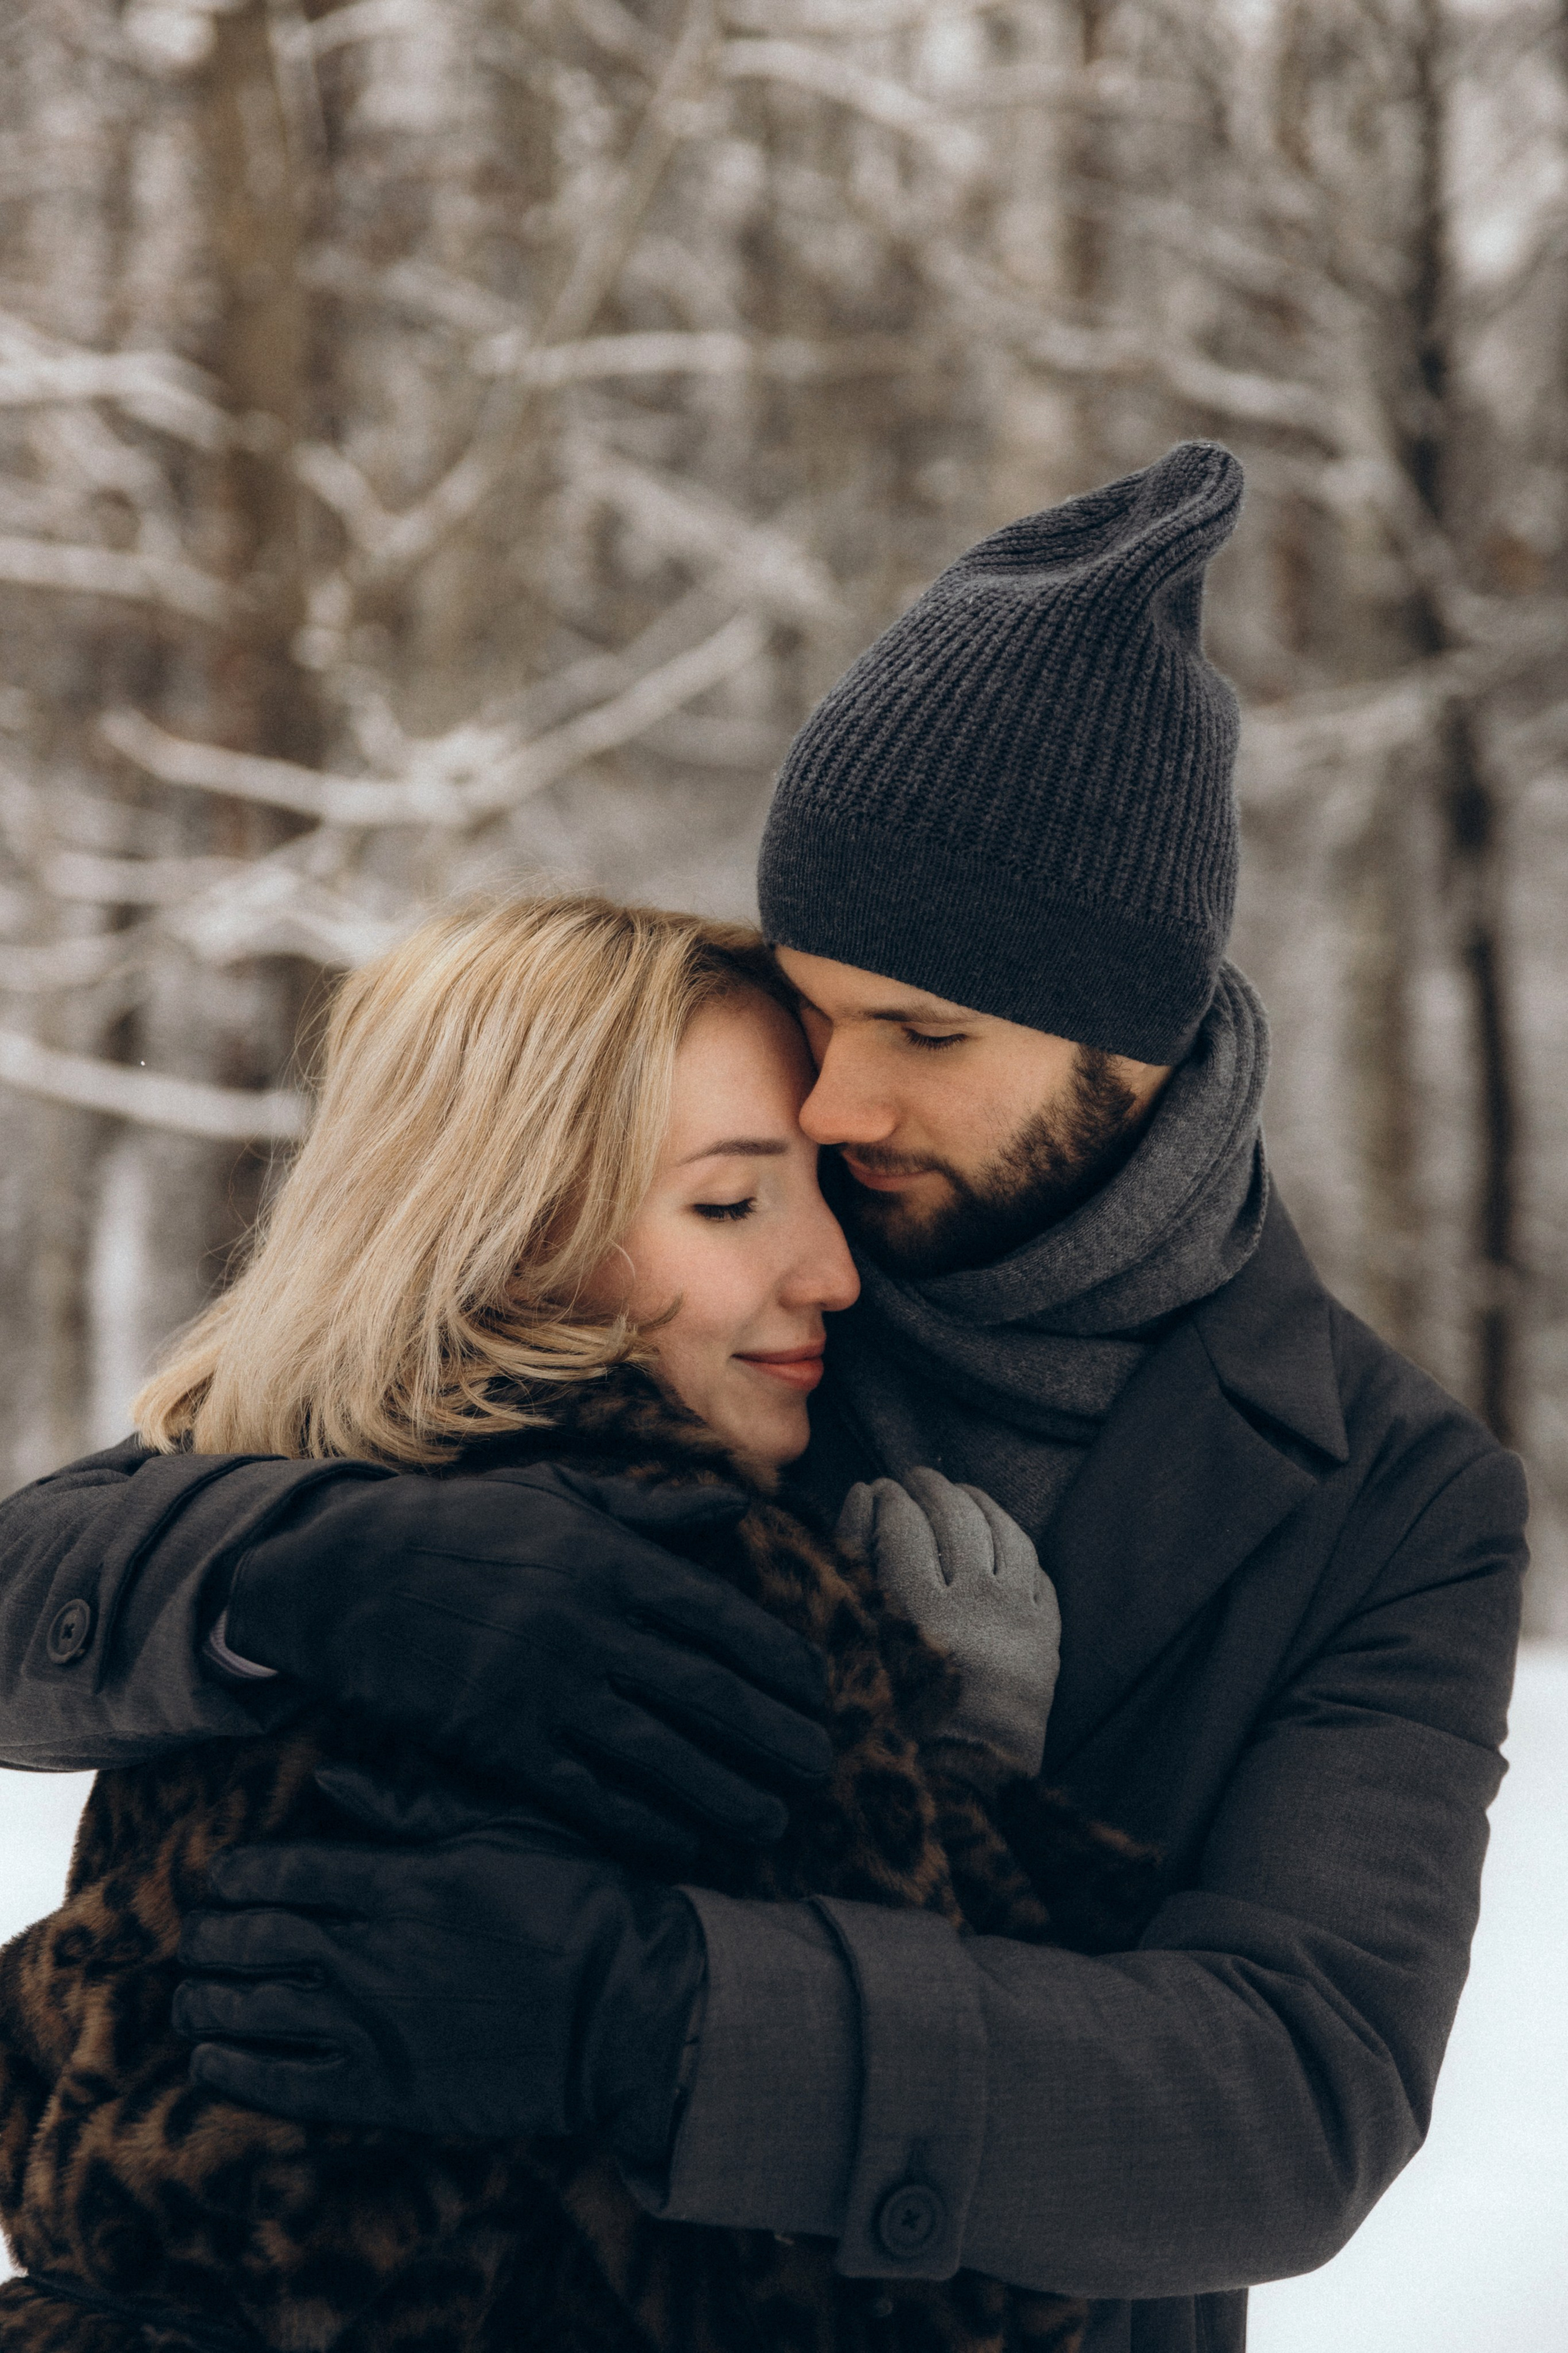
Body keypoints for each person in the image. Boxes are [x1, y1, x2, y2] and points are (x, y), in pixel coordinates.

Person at [0, 444, 1526, 2353]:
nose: (837, 1106)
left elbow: (1290, 2096)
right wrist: (315, 1561)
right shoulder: (728, 1250)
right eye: (821, 1007)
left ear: (1135, 1037)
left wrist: (653, 2013)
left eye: (927, 1035)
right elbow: (47, 1587)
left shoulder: (1385, 1499)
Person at [0, 894, 1117, 2353]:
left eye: (819, 1195)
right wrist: (965, 1775)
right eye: (729, 1202)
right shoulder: (696, 1578)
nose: (832, 1272)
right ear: (511, 1233)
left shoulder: (248, 1511)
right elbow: (980, 2278)